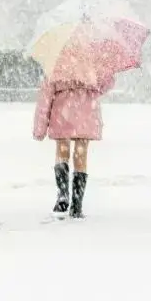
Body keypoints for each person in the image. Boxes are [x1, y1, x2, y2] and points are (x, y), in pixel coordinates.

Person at [32, 73, 115, 218]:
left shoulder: (58, 64)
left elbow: (45, 98)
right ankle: (77, 205)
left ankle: (63, 195)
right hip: (87, 113)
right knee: (81, 154)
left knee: (62, 150)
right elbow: (105, 84)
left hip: (62, 113)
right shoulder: (92, 64)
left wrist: (39, 129)